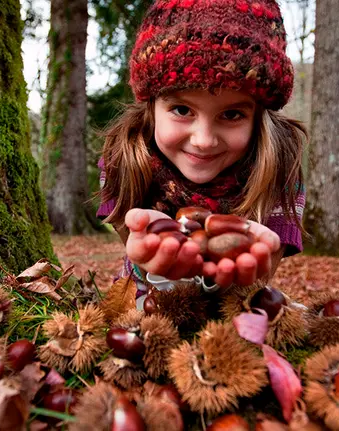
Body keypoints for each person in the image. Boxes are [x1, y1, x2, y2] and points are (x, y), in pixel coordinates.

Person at [96, 0, 306, 303]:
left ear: (258, 116)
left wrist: (246, 259)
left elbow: (258, 278)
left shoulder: (280, 169)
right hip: (140, 307)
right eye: (182, 109)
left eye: (232, 115)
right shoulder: (123, 159)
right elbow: (131, 243)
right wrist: (152, 257)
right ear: (152, 106)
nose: (204, 140)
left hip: (234, 312)